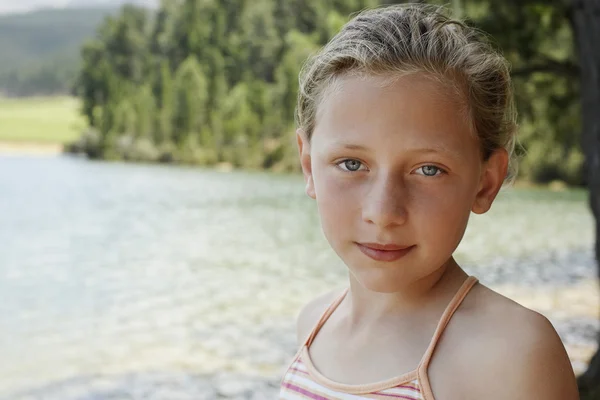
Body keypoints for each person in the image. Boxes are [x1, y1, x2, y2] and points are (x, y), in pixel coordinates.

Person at [279, 3, 579, 399]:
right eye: (352, 163)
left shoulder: (512, 354)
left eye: (428, 170)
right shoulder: (313, 324)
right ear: (308, 165)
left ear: (486, 182)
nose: (384, 212)